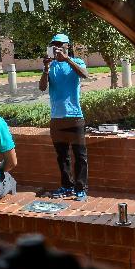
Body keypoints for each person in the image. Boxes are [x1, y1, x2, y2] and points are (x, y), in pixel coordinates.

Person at [38, 33, 91, 201]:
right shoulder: (51, 65)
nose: (57, 47)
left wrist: (67, 60)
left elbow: (85, 75)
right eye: (54, 44)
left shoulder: (77, 62)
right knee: (62, 156)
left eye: (60, 44)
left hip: (75, 116)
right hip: (57, 118)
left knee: (80, 155)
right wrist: (46, 69)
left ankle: (81, 188)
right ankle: (67, 186)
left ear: (68, 46)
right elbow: (41, 88)